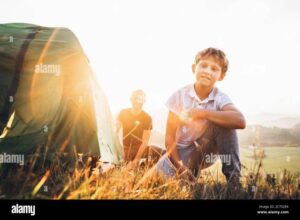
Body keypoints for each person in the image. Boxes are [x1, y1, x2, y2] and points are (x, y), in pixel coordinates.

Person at [156, 48, 246, 184]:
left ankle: (234, 182)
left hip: (205, 153)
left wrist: (202, 113)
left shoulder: (220, 97)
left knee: (226, 124)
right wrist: (180, 167)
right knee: (158, 182)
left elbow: (240, 121)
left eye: (214, 69)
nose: (207, 71)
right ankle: (185, 173)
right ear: (194, 68)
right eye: (203, 65)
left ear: (221, 76)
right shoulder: (179, 96)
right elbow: (169, 137)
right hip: (179, 154)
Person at [116, 90, 164, 166]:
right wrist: (120, 150)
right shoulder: (123, 112)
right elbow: (114, 131)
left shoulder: (147, 118)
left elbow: (145, 142)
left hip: (140, 149)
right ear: (131, 99)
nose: (138, 101)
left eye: (140, 99)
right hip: (125, 149)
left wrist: (136, 160)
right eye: (135, 98)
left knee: (161, 152)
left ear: (144, 101)